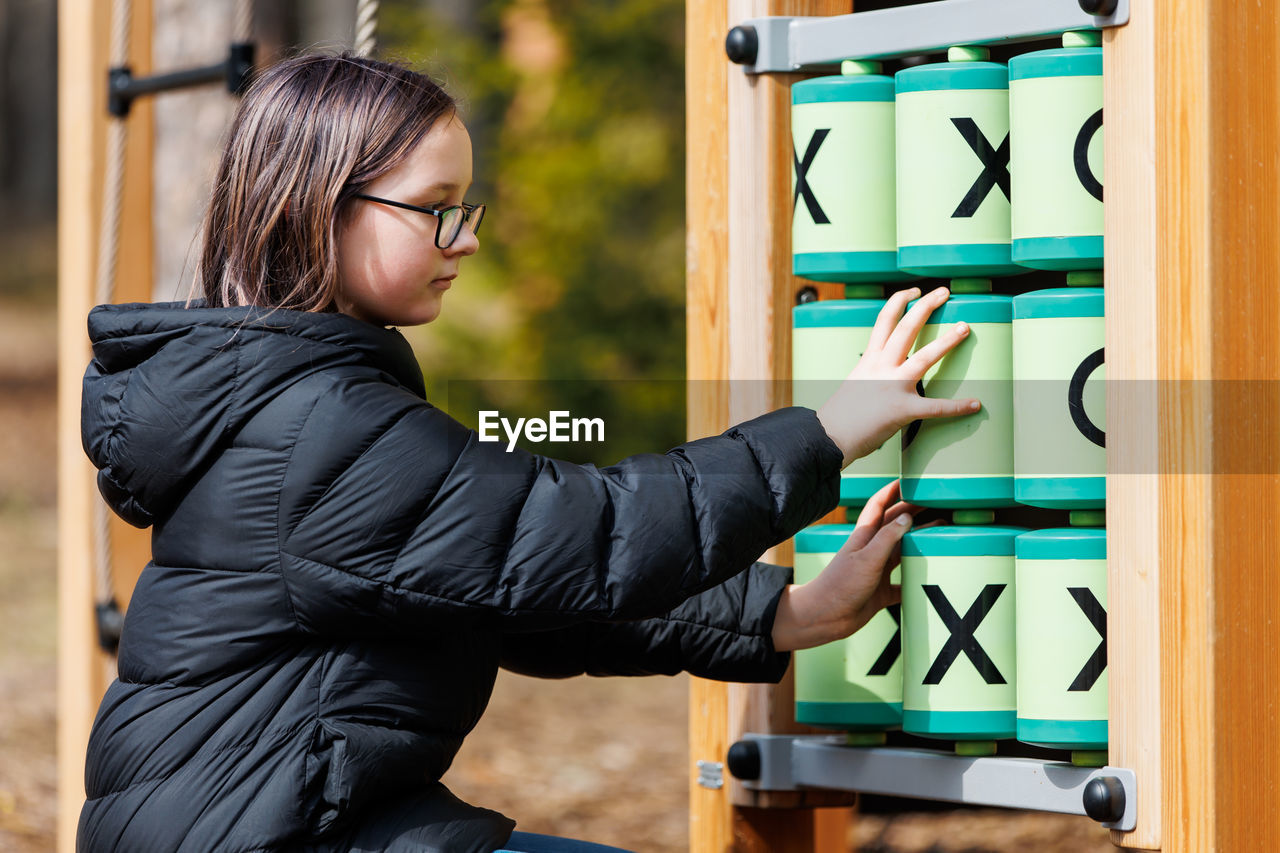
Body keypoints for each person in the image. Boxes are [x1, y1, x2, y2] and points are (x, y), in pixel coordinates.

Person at [78, 53, 976, 853]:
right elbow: (590, 534)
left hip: (280, 814)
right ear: (318, 207)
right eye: (433, 210)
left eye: (462, 207)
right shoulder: (321, 424)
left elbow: (505, 583)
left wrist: (786, 615)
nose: (465, 238)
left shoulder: (289, 401)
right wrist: (827, 432)